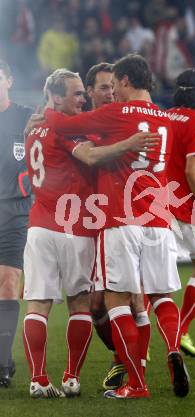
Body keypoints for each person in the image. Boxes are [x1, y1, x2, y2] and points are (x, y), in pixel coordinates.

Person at [44, 54, 189, 399]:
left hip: (120, 220)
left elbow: (62, 125)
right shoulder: (167, 120)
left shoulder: (118, 113)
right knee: (162, 295)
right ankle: (172, 348)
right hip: (159, 219)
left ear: (125, 81)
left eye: (116, 85)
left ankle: (136, 383)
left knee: (116, 300)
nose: (113, 92)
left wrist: (48, 107)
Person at [23, 68, 155, 399]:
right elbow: (93, 156)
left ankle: (38, 378)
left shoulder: (34, 129)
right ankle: (71, 377)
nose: (82, 98)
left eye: (84, 93)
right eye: (76, 93)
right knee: (80, 303)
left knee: (37, 304)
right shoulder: (65, 131)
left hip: (39, 224)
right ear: (56, 98)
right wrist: (129, 143)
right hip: (74, 227)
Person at [166, 69, 195, 358]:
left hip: (156, 206)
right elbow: (191, 170)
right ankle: (181, 329)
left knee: (153, 278)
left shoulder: (162, 117)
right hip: (184, 206)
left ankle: (135, 349)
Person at [0, 59, 33, 388]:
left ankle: (1, 362)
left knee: (9, 282)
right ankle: (5, 357)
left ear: (8, 80)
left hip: (15, 212)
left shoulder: (26, 117)